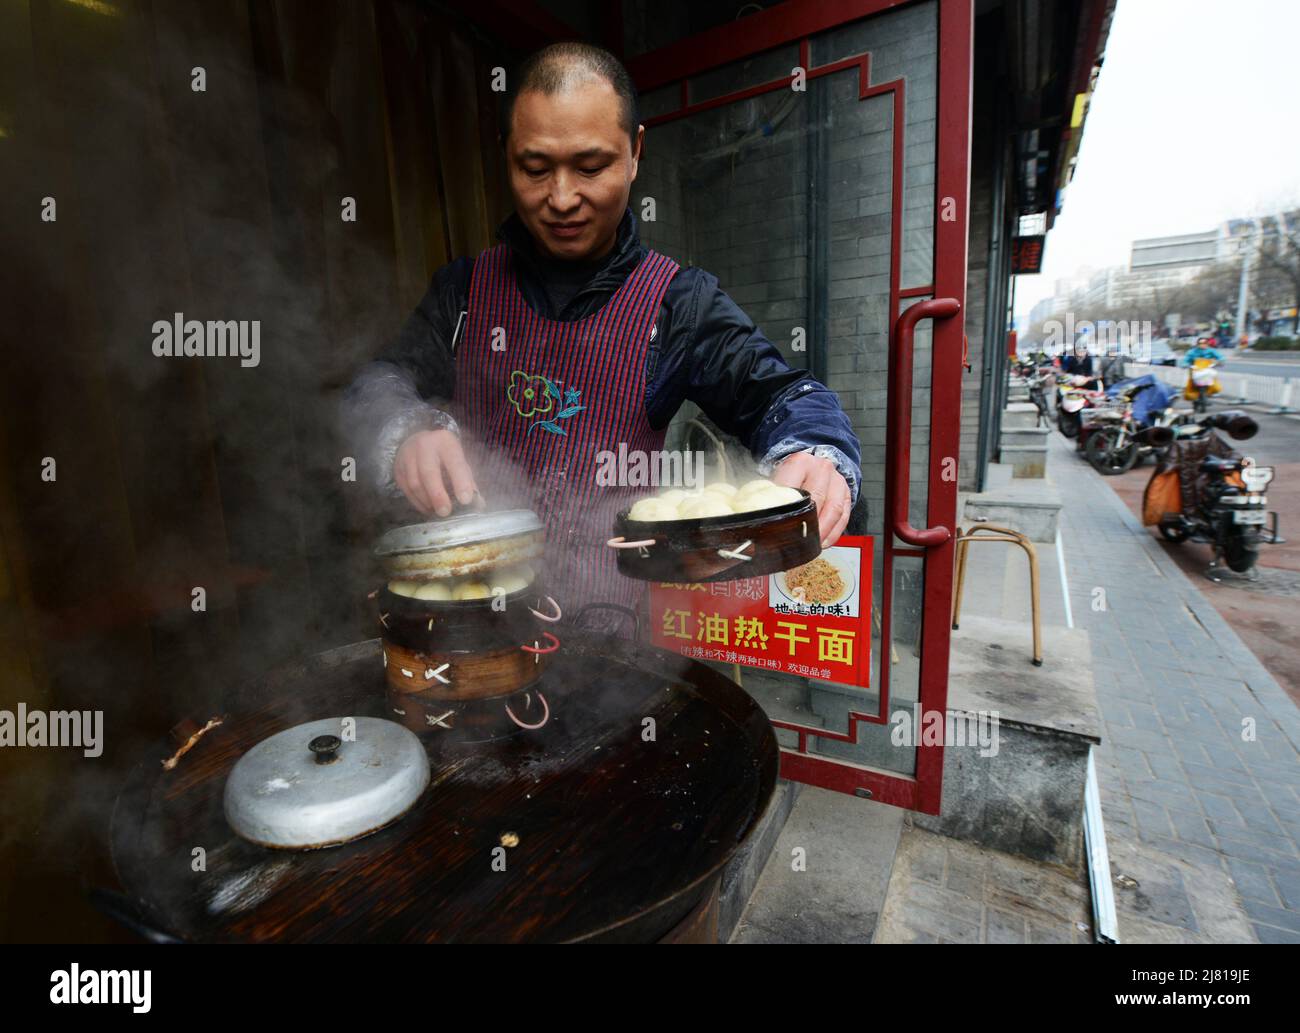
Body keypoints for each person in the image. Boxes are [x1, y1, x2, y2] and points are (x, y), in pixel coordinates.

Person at [343, 42, 861, 617]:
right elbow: (379, 379)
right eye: (534, 168)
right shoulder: (462, 293)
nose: (562, 199)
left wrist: (822, 452)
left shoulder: (679, 305)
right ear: (506, 155)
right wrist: (406, 426)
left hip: (613, 643)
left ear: (635, 152)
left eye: (591, 168)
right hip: (473, 628)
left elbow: (782, 396)